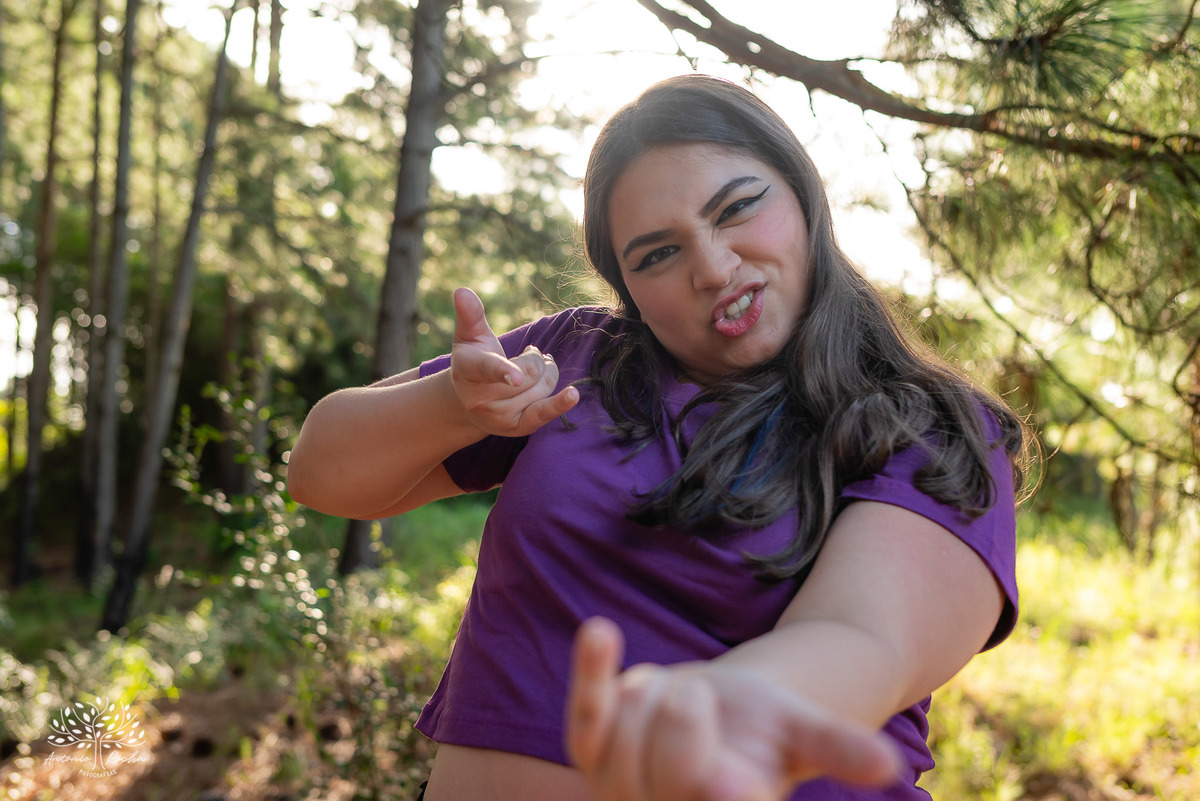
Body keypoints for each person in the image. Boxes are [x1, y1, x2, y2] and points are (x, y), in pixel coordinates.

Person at [286, 74, 1033, 801]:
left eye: (737, 207)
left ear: (803, 194)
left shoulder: (930, 427)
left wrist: (731, 708)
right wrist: (456, 402)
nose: (713, 268)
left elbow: (863, 640)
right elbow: (321, 472)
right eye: (657, 253)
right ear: (627, 285)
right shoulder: (579, 358)